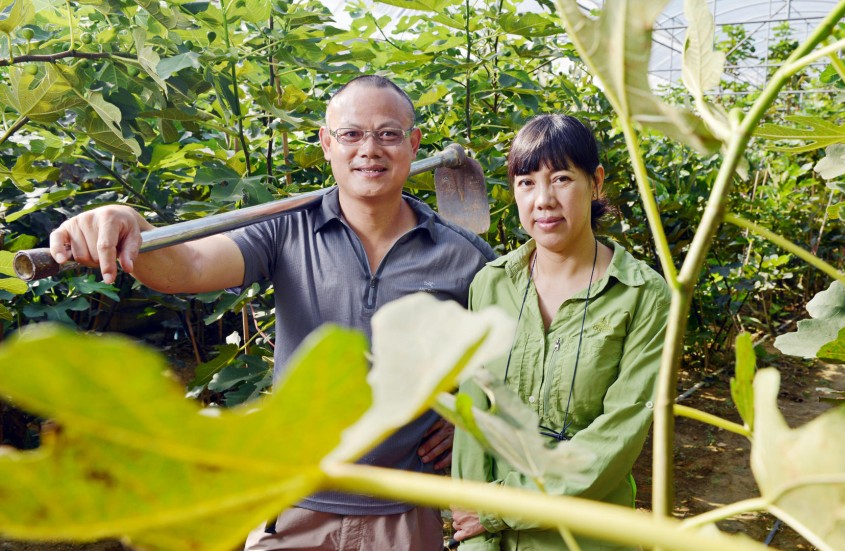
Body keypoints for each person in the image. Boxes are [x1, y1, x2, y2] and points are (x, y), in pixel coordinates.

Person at [48, 74, 496, 551]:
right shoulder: (285, 230)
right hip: (290, 504)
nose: (370, 149)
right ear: (327, 144)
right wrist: (128, 222)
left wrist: (471, 415)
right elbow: (191, 265)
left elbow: (509, 359)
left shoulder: (463, 255)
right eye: (351, 134)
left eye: (388, 134)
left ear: (413, 143)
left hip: (403, 512)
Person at [450, 114, 670, 550]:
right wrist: (476, 527)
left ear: (596, 183)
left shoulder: (643, 294)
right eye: (526, 182)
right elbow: (474, 412)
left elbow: (620, 433)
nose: (543, 200)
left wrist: (498, 508)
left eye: (562, 178)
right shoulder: (491, 284)